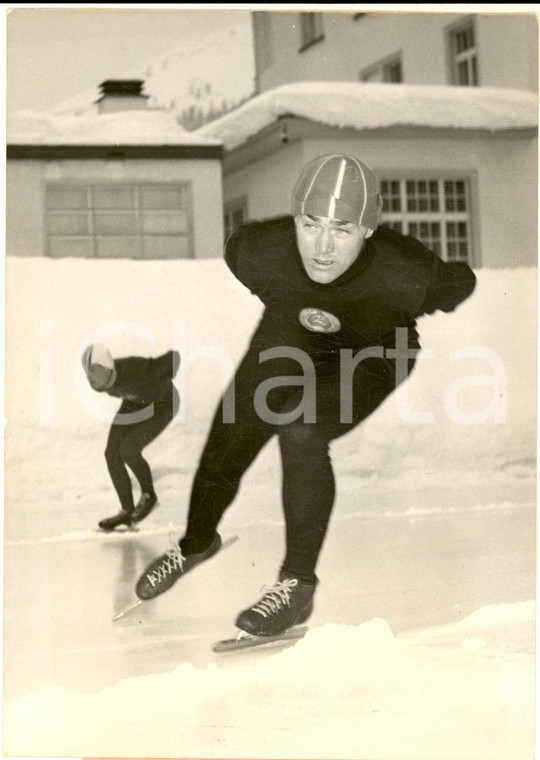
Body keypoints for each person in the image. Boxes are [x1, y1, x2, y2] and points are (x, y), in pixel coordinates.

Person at [134, 153, 477, 637]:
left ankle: (297, 584)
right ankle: (195, 543)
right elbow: (259, 265)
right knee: (232, 429)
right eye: (310, 224)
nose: (321, 246)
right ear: (294, 219)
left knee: (302, 429)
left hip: (374, 352)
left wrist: (427, 299)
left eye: (342, 230)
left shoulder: (407, 272)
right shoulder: (256, 251)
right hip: (290, 336)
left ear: (369, 232)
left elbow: (459, 282)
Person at [82, 343, 180, 531]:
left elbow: (173, 357)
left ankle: (149, 495)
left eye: (92, 369)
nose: (89, 376)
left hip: (163, 405)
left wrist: (166, 375)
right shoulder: (99, 384)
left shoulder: (136, 369)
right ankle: (127, 511)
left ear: (105, 366)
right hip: (134, 404)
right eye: (87, 371)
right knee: (111, 453)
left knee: (129, 449)